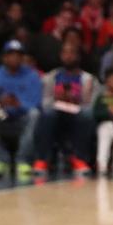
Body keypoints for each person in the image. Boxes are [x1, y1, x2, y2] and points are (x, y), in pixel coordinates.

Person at [33, 42, 97, 179]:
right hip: (56, 112)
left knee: (87, 114)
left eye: (72, 53)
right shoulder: (51, 77)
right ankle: (42, 159)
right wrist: (58, 99)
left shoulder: (88, 79)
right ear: (61, 56)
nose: (68, 56)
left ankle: (80, 159)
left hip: (77, 112)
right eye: (65, 53)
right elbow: (44, 102)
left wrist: (75, 100)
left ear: (78, 56)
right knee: (47, 114)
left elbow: (90, 104)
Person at [0, 40, 42, 185]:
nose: (14, 58)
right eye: (10, 54)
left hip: (22, 118)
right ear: (4, 57)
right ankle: (1, 160)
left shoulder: (32, 75)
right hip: (2, 115)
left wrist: (18, 104)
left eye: (18, 55)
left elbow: (36, 103)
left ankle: (22, 160)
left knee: (34, 114)